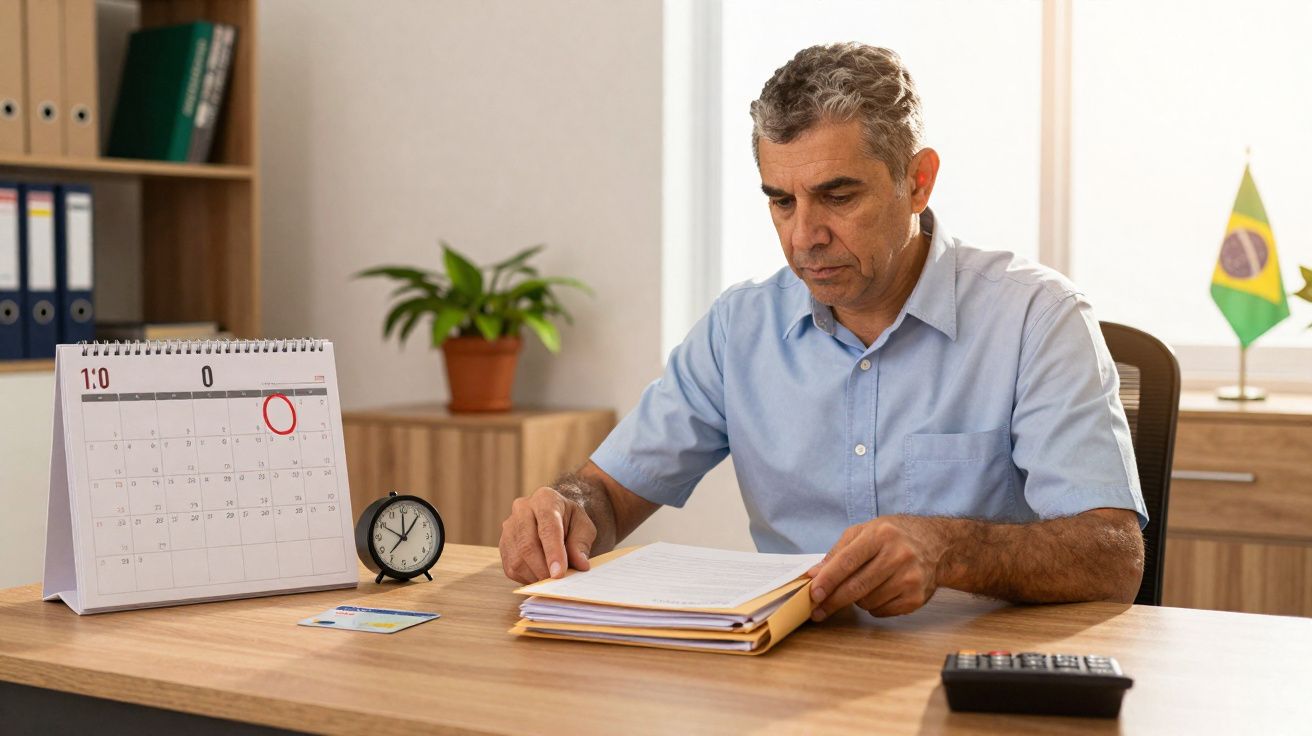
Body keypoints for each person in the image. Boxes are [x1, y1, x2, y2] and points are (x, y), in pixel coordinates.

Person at [499, 43, 1147, 621]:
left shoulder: (1035, 318)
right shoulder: (739, 330)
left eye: (838, 197)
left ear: (917, 181)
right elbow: (607, 495)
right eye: (781, 201)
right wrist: (566, 510)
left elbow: (1113, 556)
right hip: (787, 680)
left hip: (973, 682)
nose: (803, 235)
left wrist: (948, 549)